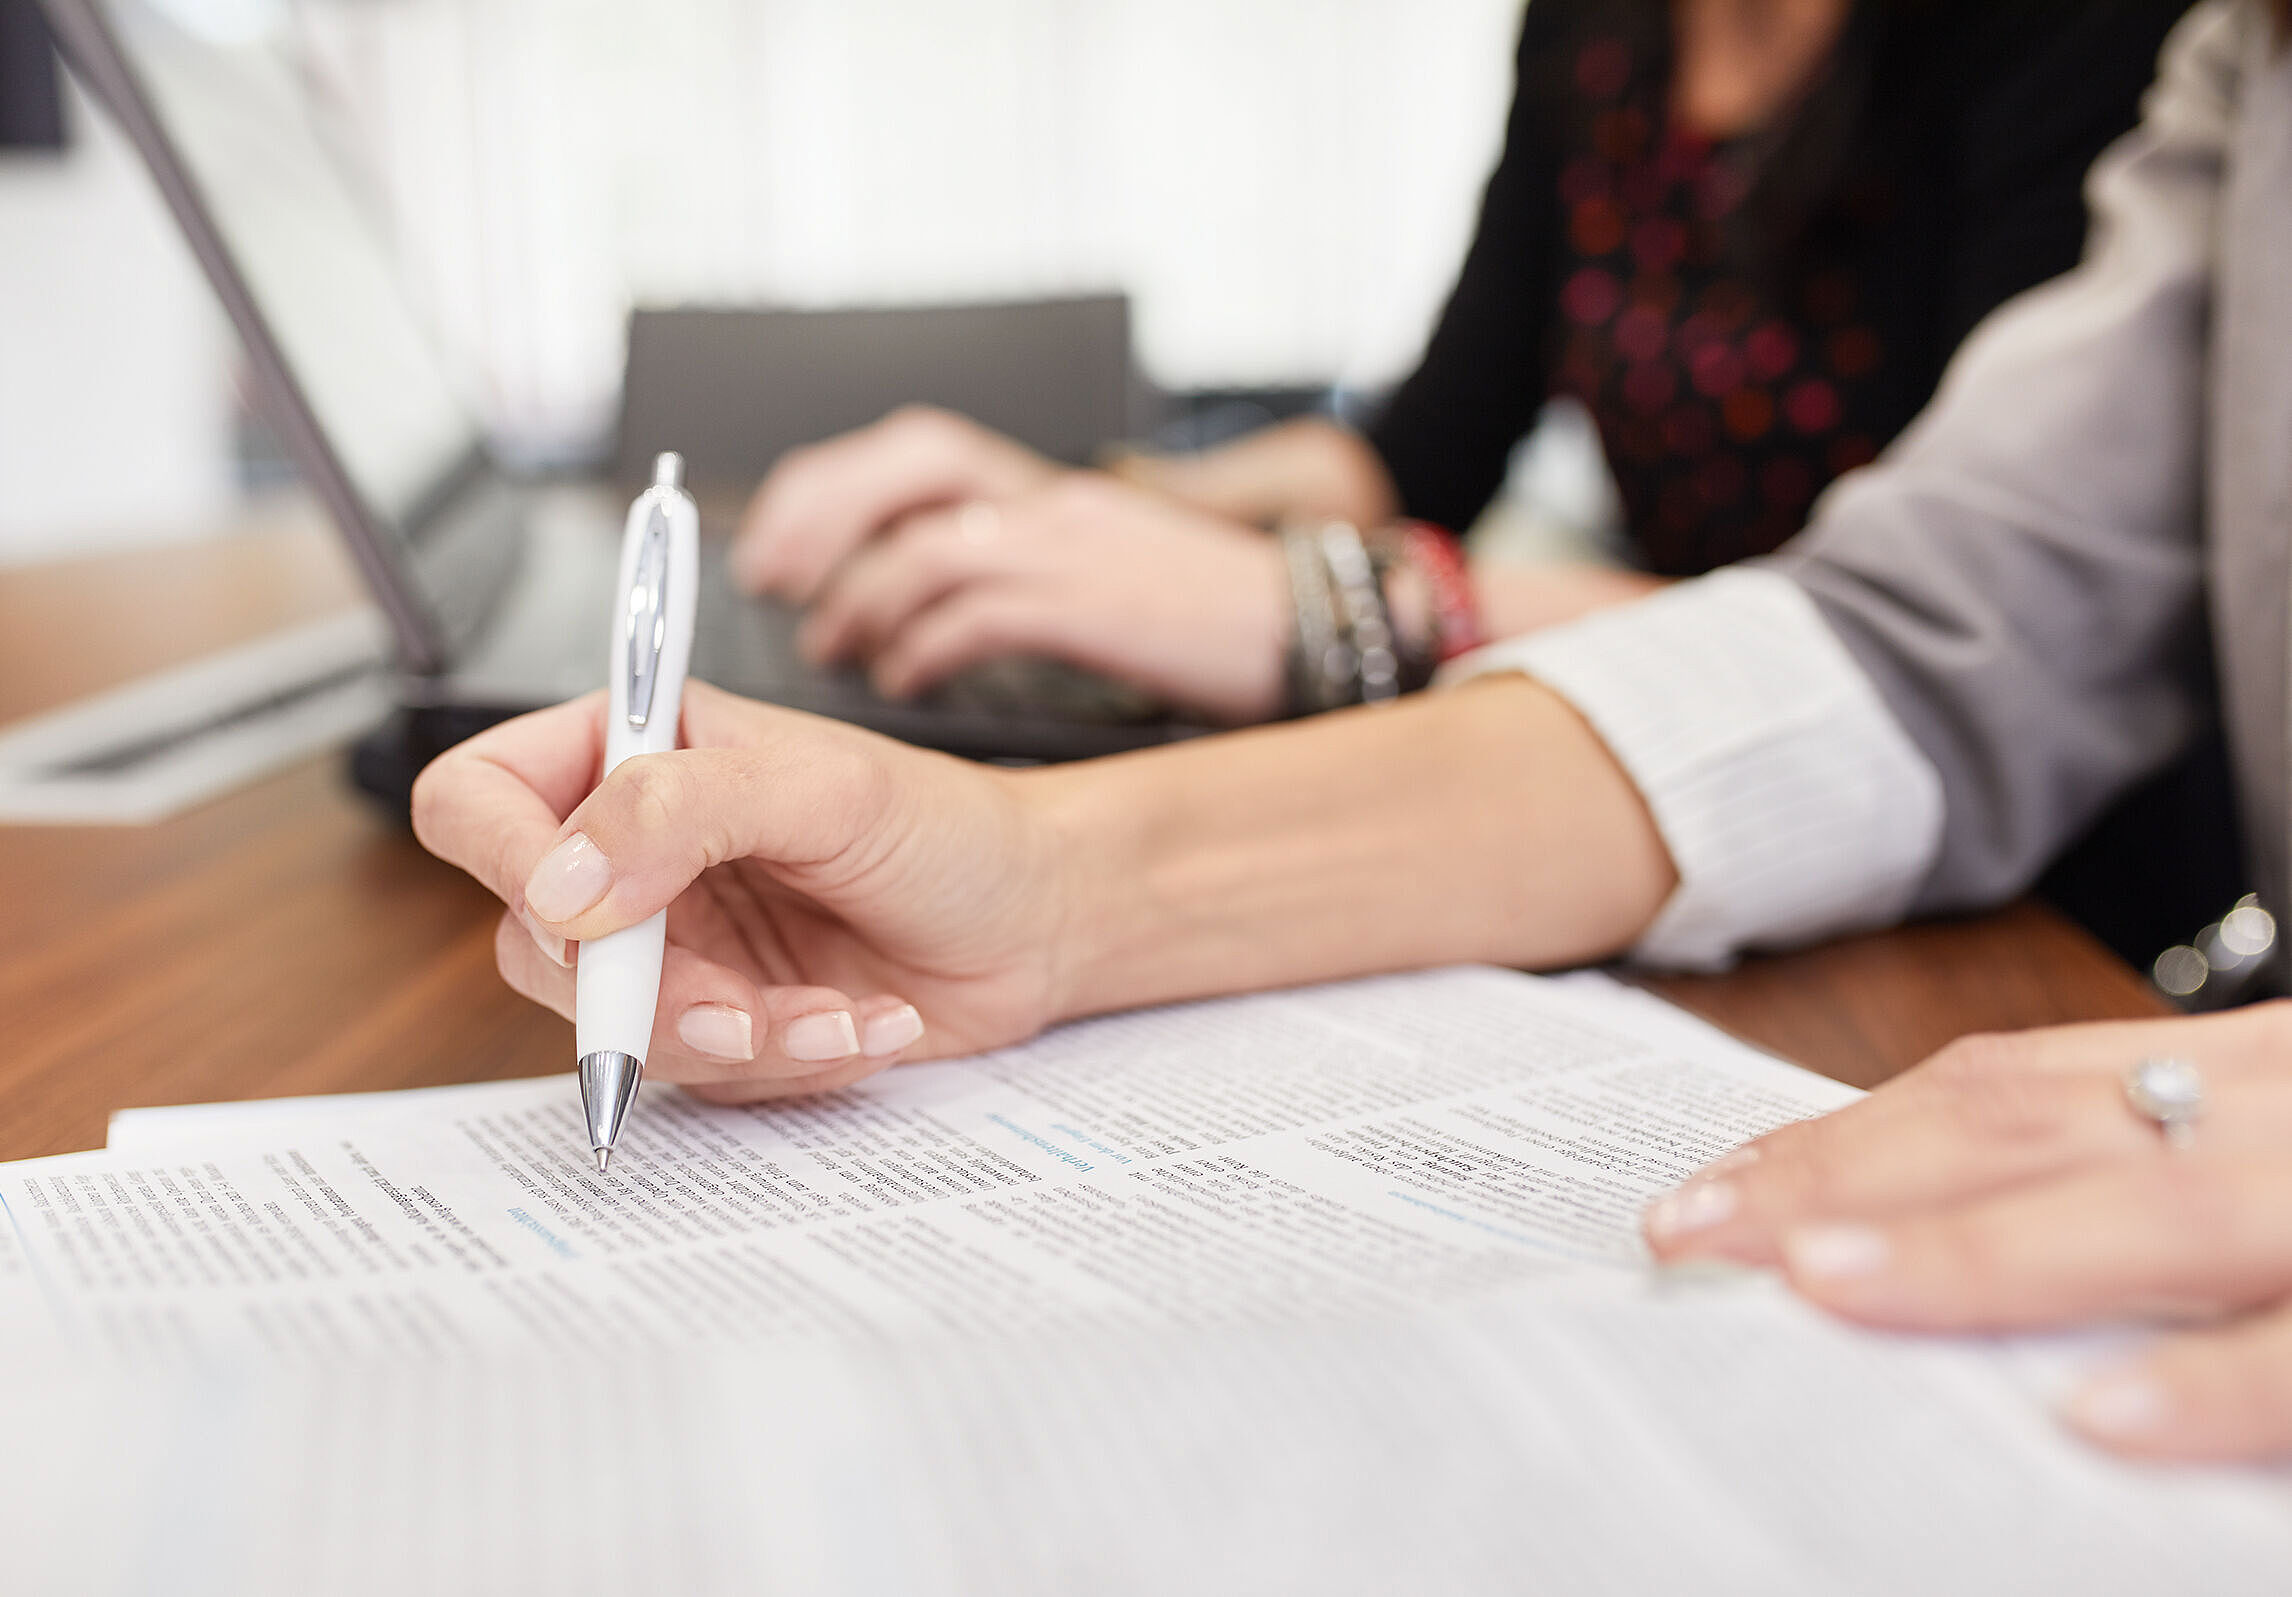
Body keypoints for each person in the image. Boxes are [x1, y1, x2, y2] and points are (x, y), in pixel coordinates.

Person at [415, 0, 2292, 1459]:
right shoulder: (2228, 59)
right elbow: (1931, 633)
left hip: (2087, 929)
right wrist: (1048, 864)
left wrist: (1330, 606)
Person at [727, 0, 2187, 724]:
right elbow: (1421, 451)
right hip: (1664, 699)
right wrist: (1085, 505)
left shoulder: (2067, 41)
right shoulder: (1603, 31)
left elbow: (1948, 630)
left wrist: (1336, 607)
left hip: (1959, 811)